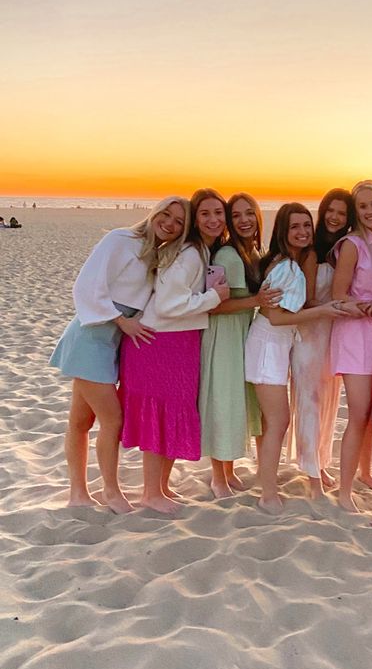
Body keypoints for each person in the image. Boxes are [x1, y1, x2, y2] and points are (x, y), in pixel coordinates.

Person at [49, 197, 189, 511]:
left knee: (81, 420)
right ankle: (110, 491)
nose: (169, 223)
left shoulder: (160, 253)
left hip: (111, 342)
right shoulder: (120, 239)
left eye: (178, 221)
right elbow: (85, 286)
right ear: (154, 212)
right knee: (112, 419)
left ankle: (78, 493)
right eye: (165, 214)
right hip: (91, 335)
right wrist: (121, 321)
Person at [118, 189, 230, 514]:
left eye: (218, 213)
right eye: (205, 213)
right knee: (161, 415)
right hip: (159, 343)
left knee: (171, 416)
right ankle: (151, 492)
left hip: (179, 341)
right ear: (196, 220)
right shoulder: (191, 254)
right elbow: (168, 306)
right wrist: (213, 299)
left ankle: (161, 488)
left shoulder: (201, 252)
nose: (213, 219)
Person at [244, 203, 352, 514]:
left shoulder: (290, 263)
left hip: (277, 347)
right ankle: (267, 493)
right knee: (279, 421)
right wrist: (325, 310)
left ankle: (268, 483)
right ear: (283, 231)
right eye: (295, 227)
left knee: (273, 422)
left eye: (307, 225)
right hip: (267, 348)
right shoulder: (285, 267)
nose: (303, 231)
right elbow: (276, 318)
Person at [199, 193, 282, 498]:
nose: (244, 220)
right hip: (224, 336)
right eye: (236, 216)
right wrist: (256, 300)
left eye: (249, 213)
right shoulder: (227, 256)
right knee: (223, 400)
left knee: (240, 402)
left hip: (243, 333)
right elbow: (215, 306)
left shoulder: (253, 252)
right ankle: (218, 477)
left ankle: (231, 471)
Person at [331, 180, 372, 511]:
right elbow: (338, 295)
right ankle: (343, 492)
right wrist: (367, 306)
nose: (371, 211)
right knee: (357, 414)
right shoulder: (352, 244)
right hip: (355, 333)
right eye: (364, 206)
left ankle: (366, 472)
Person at [288, 189, 355, 497]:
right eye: (331, 210)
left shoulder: (345, 248)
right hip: (310, 334)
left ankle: (321, 463)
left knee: (329, 402)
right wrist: (335, 307)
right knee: (310, 402)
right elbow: (306, 300)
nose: (335, 217)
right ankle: (312, 475)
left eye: (342, 213)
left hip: (334, 334)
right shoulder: (313, 251)